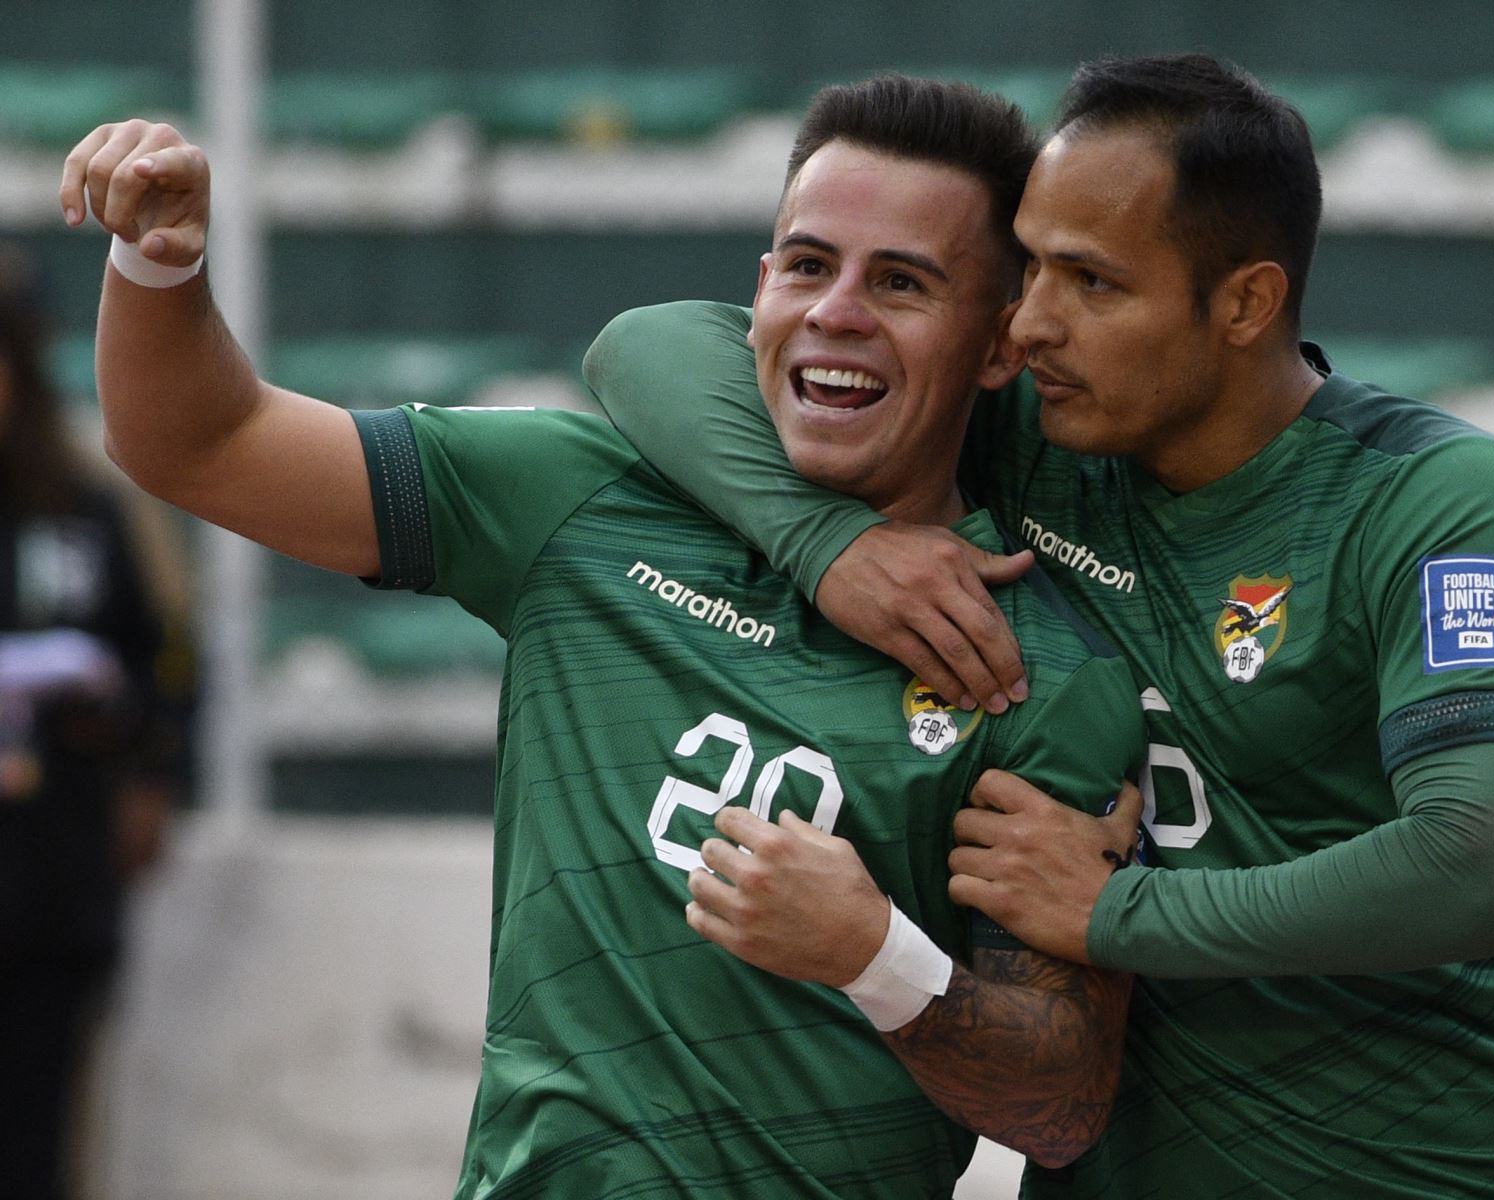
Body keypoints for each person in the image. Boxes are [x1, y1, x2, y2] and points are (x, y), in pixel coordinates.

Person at [62, 76, 1145, 1198]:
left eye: (904, 282)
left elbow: (1060, 1103)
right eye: (810, 265)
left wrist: (882, 959)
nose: (838, 313)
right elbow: (202, 440)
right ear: (761, 289)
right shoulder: (579, 500)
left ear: (999, 344)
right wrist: (163, 262)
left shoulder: (1038, 669)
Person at [585, 52, 1494, 1196]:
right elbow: (649, 346)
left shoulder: (1435, 500)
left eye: (1091, 283)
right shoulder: (1035, 436)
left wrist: (1121, 912)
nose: (1028, 324)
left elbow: (1484, 866)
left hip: (1431, 1172)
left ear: (1244, 303)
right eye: (1027, 269)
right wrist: (833, 551)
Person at [0, 248, 189, 1200]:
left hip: (50, 887)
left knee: (36, 1140)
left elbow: (172, 658)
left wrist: (157, 781)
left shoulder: (85, 512)